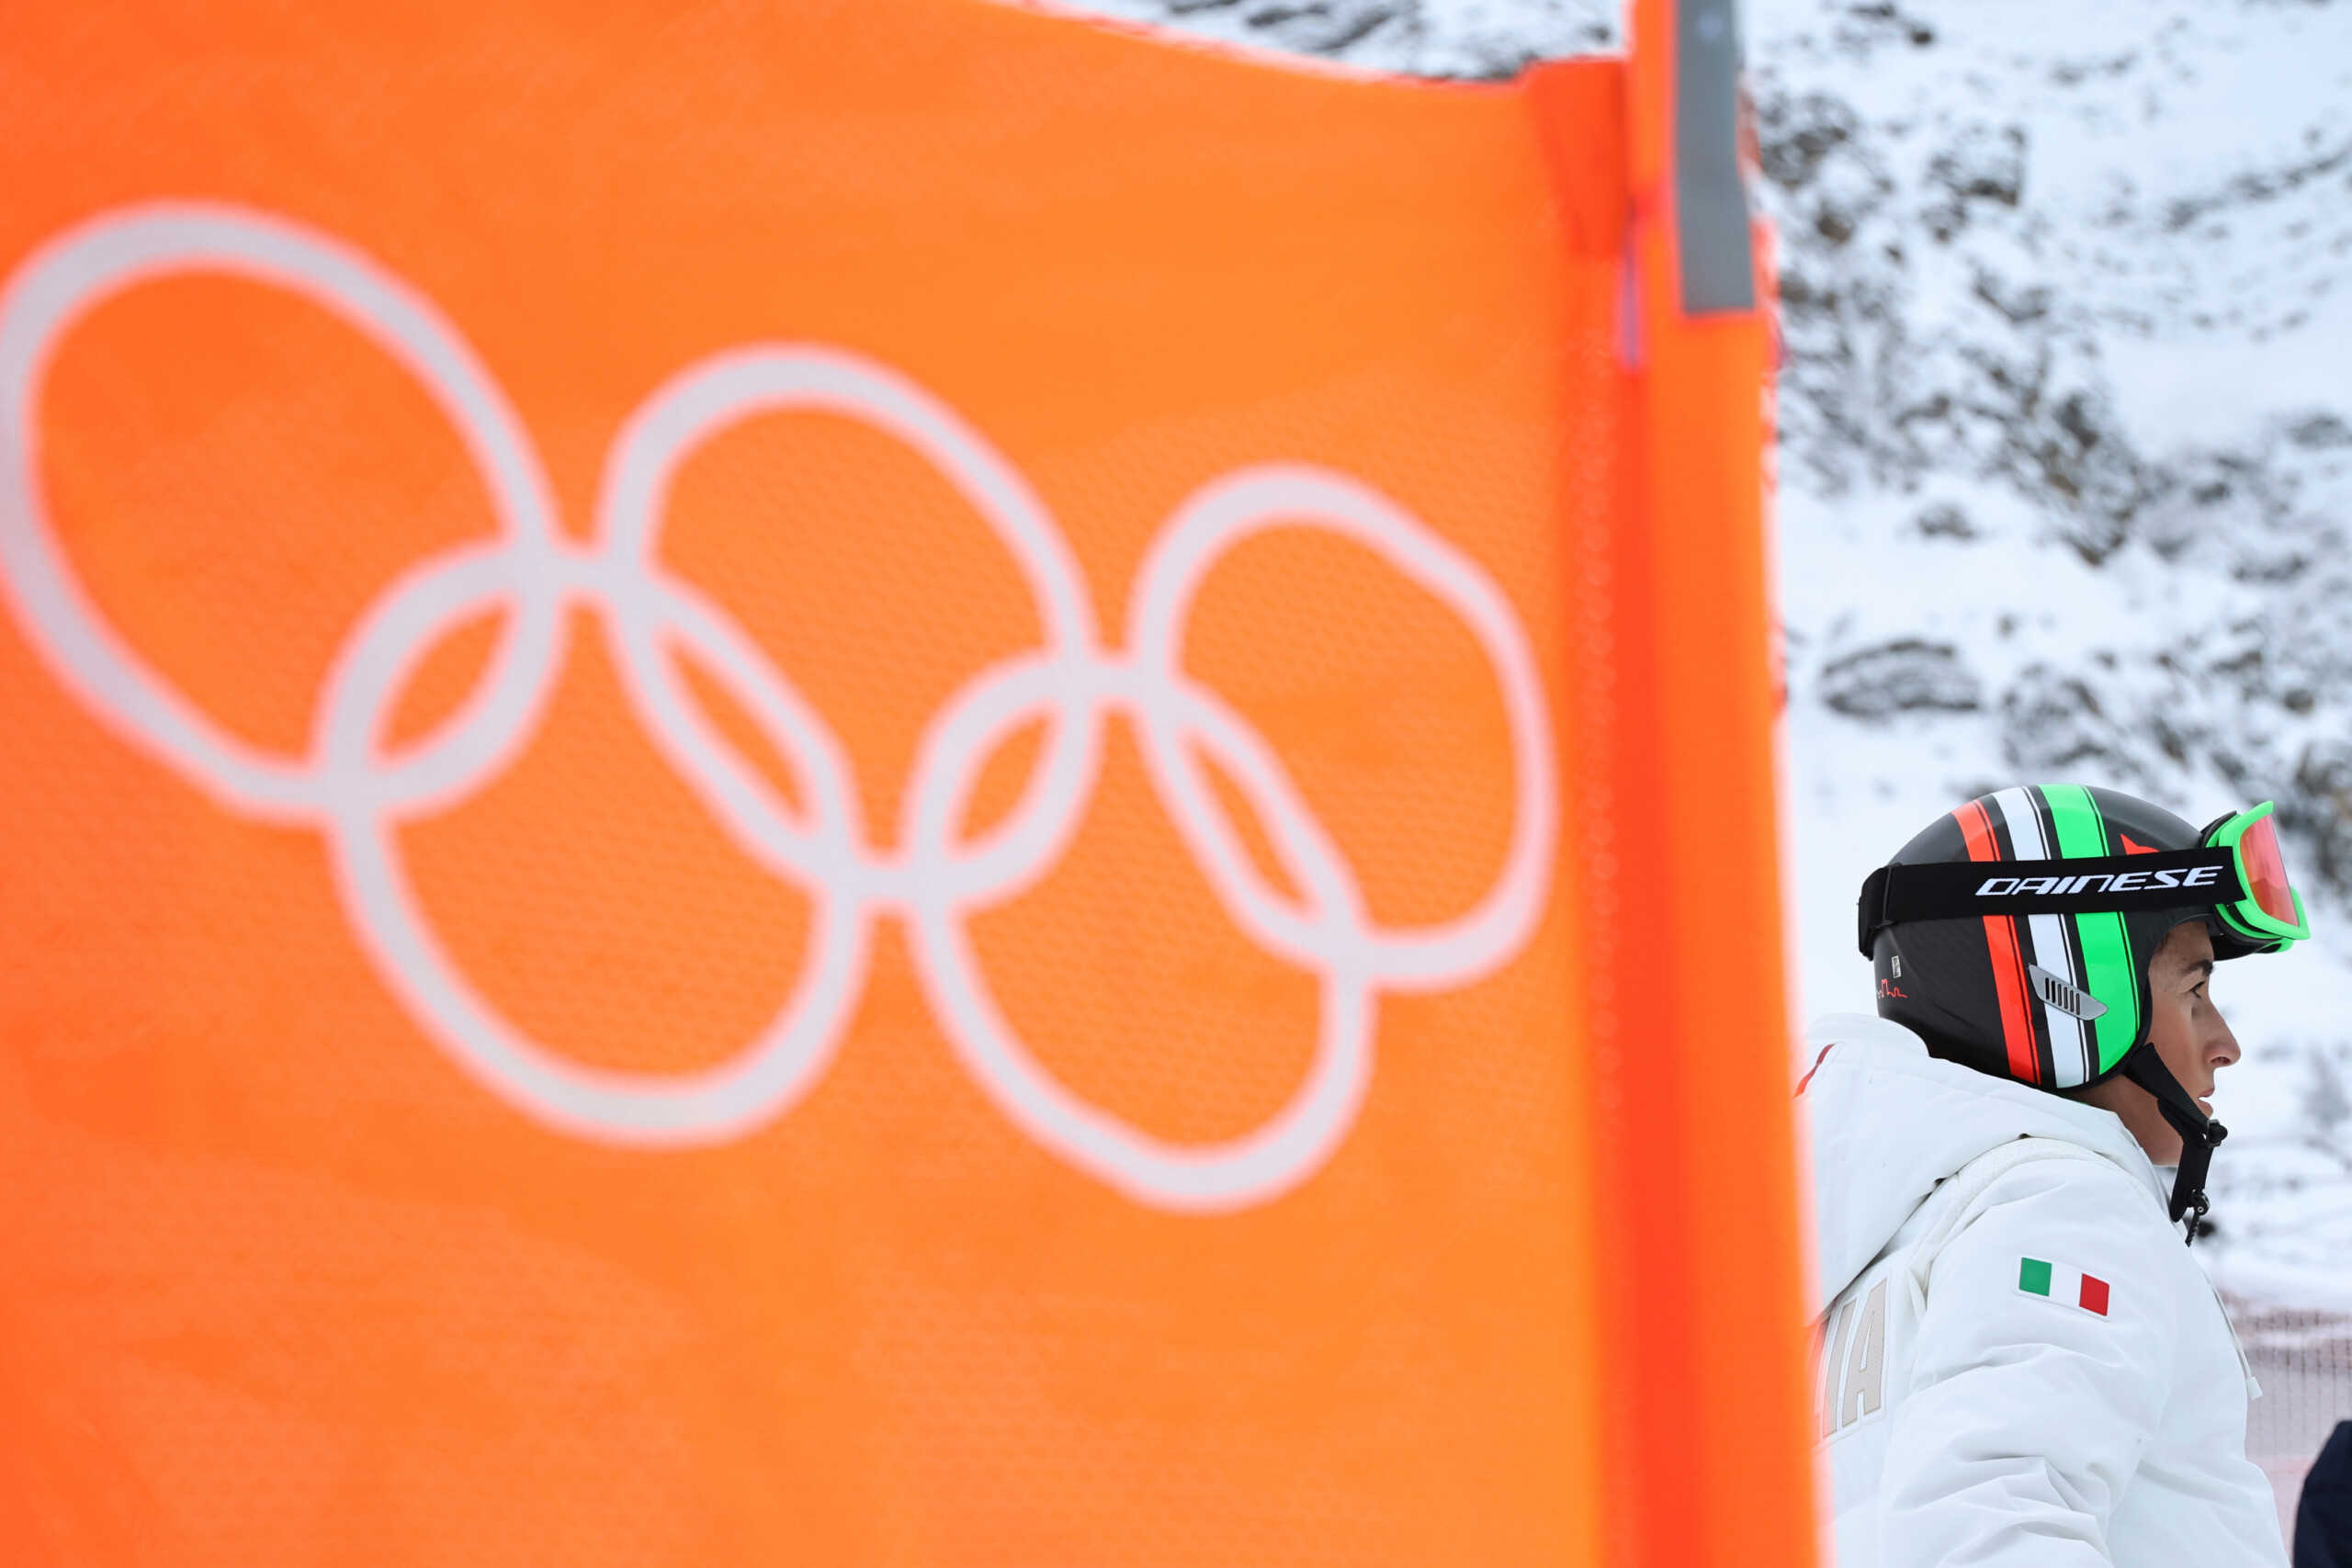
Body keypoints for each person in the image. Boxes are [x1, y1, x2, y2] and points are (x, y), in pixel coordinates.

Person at [1804, 784, 2312, 1565]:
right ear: (2069, 998)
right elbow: (1986, 1532)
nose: (2225, 1043)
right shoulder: (2066, 1207)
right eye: (2195, 990)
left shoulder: (1881, 1252)